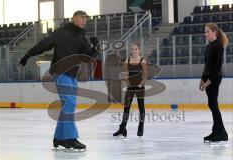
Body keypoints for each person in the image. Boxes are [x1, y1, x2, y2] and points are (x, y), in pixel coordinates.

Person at [20, 10, 100, 149]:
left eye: (86, 19)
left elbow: (87, 58)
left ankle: (59, 138)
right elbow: (44, 44)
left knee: (68, 105)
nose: (84, 21)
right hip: (60, 72)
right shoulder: (61, 32)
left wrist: (95, 48)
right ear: (74, 18)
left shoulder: (82, 37)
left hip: (72, 74)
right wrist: (29, 54)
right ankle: (70, 138)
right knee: (69, 103)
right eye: (82, 18)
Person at [200, 23, 228, 143]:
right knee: (212, 105)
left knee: (213, 105)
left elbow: (217, 66)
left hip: (215, 78)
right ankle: (216, 131)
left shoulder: (218, 46)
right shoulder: (209, 46)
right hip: (208, 78)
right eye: (205, 32)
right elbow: (207, 65)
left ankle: (222, 133)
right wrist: (202, 79)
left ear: (214, 32)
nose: (205, 34)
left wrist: (209, 81)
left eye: (207, 32)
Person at [113, 42, 147, 137]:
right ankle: (122, 128)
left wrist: (140, 84)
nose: (134, 51)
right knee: (126, 108)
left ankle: (141, 126)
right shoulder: (127, 60)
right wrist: (128, 84)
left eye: (136, 49)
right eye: (132, 49)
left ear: (139, 50)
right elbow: (126, 74)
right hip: (130, 87)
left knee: (141, 107)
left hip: (140, 87)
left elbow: (145, 75)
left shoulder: (142, 61)